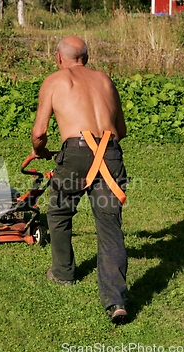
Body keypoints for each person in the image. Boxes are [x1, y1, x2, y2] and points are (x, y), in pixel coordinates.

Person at [30, 36, 129, 324]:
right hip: (110, 152)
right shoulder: (105, 81)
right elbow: (121, 129)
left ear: (59, 57)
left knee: (59, 211)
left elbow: (39, 132)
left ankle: (63, 273)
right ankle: (116, 301)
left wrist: (40, 152)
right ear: (87, 56)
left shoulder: (55, 80)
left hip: (75, 152)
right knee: (109, 224)